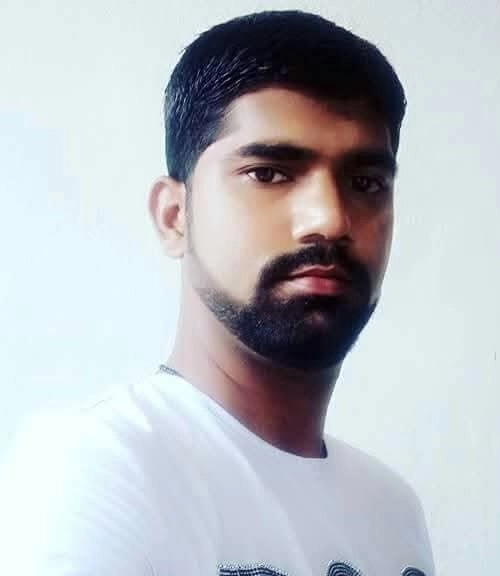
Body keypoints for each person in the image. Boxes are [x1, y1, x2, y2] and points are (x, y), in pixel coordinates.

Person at [0, 10, 435, 576]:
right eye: (269, 173)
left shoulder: (393, 512)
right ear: (174, 215)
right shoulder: (96, 472)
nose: (329, 218)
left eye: (366, 182)